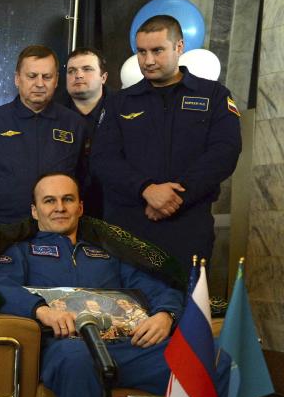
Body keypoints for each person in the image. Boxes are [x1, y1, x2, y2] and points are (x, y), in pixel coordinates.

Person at [0, 173, 185, 397]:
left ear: (80, 207)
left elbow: (158, 288)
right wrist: (41, 310)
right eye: (49, 201)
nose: (59, 207)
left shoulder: (107, 254)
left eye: (67, 199)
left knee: (207, 357)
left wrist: (165, 315)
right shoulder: (20, 253)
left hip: (126, 347)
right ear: (35, 211)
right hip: (64, 347)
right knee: (77, 358)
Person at [91, 15, 242, 274]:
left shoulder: (214, 95)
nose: (148, 61)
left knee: (186, 311)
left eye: (157, 50)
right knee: (127, 312)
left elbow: (224, 152)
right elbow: (103, 159)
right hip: (129, 229)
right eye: (141, 52)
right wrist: (146, 189)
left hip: (188, 226)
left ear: (179, 47)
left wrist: (176, 197)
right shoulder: (119, 102)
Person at [0, 45, 86, 228]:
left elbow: (84, 177)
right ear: (17, 79)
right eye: (32, 76)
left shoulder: (74, 124)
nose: (39, 84)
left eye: (47, 77)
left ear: (56, 80)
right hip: (1, 226)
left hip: (56, 227)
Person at [64, 47, 111, 218]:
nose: (78, 75)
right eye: (72, 71)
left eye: (87, 69)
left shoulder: (123, 112)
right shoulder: (52, 115)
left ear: (103, 77)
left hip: (113, 208)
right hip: (65, 210)